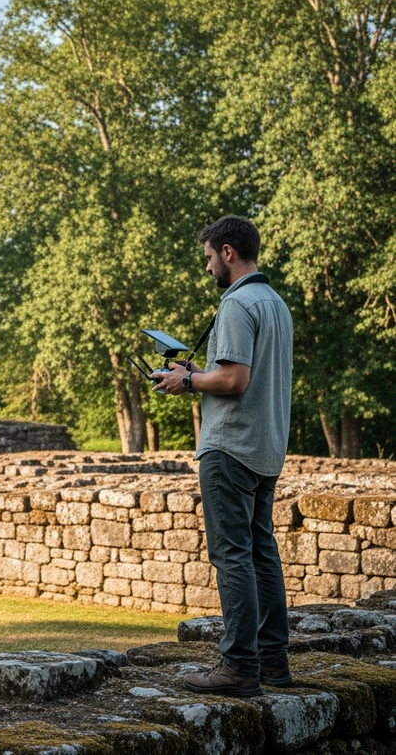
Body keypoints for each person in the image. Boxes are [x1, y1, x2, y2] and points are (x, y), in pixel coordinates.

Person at [153, 215, 294, 698]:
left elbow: (234, 382)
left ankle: (238, 667)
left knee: (232, 556)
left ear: (228, 252)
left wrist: (186, 381)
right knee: (260, 553)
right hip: (266, 446)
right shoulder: (274, 302)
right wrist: (196, 370)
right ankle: (273, 661)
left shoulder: (236, 303)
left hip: (230, 446)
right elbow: (236, 372)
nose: (208, 266)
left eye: (210, 257)